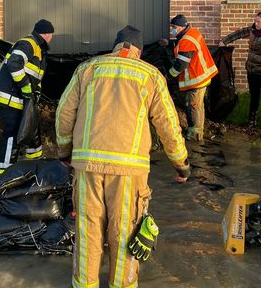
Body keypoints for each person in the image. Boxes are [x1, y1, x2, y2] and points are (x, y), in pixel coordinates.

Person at [56, 25, 190, 288]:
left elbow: (64, 114)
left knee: (88, 231)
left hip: (87, 167)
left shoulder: (87, 69)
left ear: (117, 46)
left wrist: (65, 152)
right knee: (126, 232)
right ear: (138, 50)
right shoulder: (150, 75)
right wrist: (181, 163)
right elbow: (167, 124)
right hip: (129, 171)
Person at [0, 19, 53, 174]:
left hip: (21, 98)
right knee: (11, 135)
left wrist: (36, 92)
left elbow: (36, 76)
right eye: (51, 34)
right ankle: (4, 175)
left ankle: (35, 167)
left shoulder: (39, 49)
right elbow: (14, 63)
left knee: (32, 130)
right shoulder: (28, 44)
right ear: (46, 34)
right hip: (10, 97)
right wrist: (25, 85)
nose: (52, 38)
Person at [219, 10, 261, 135]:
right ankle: (252, 121)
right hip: (252, 70)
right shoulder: (253, 30)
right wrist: (224, 41)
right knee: (254, 96)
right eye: (255, 20)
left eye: (259, 21)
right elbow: (239, 33)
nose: (256, 23)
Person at [163, 14, 218, 142]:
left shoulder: (187, 41)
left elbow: (180, 65)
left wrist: (167, 77)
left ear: (182, 27)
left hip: (196, 80)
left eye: (174, 27)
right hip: (202, 76)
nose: (172, 29)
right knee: (198, 106)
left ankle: (195, 136)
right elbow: (180, 45)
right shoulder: (192, 32)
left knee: (193, 106)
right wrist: (169, 43)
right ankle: (198, 131)